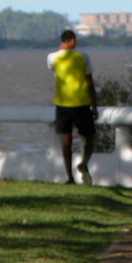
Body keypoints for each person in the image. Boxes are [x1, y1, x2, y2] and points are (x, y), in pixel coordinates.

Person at [47, 30, 98, 184]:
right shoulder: (83, 57)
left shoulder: (51, 57)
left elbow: (53, 69)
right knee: (90, 137)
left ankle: (69, 177)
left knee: (66, 142)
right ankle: (84, 162)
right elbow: (89, 82)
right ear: (73, 41)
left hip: (62, 104)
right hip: (81, 103)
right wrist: (94, 105)